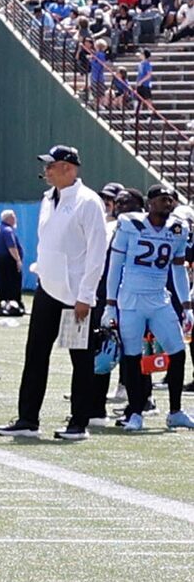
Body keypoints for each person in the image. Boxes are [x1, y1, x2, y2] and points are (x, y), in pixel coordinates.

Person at [0, 145, 114, 443]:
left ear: (69, 167)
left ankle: (79, 422)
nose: (46, 170)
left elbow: (96, 253)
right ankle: (27, 419)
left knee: (81, 359)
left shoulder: (88, 202)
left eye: (52, 165)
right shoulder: (48, 198)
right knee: (35, 354)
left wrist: (86, 295)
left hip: (75, 294)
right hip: (47, 289)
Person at [105, 181, 190, 433]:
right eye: (163, 199)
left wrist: (187, 305)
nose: (168, 202)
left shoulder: (178, 228)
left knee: (177, 351)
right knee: (132, 357)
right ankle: (135, 411)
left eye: (171, 199)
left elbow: (178, 267)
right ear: (150, 203)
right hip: (130, 299)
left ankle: (175, 411)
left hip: (159, 299)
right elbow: (115, 265)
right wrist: (110, 303)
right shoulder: (130, 224)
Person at [0, 207, 26, 315]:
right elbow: (11, 247)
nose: (15, 219)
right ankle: (14, 305)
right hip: (8, 260)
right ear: (8, 219)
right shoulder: (8, 230)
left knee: (1, 282)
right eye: (14, 217)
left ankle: (3, 303)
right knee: (13, 282)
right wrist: (18, 260)